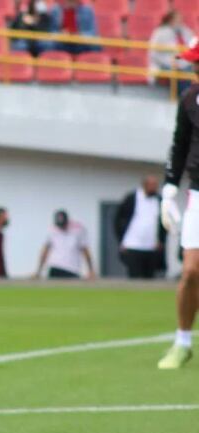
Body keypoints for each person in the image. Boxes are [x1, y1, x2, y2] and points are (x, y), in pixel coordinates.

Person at [156, 41, 199, 369]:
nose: (192, 70)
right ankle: (182, 342)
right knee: (190, 271)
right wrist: (169, 190)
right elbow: (179, 144)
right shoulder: (189, 99)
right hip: (198, 193)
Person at [114, 175, 166, 279]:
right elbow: (118, 219)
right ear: (145, 185)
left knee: (150, 277)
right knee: (135, 276)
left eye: (156, 185)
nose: (154, 188)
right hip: (132, 245)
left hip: (151, 246)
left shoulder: (159, 200)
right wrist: (121, 241)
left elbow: (163, 223)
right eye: (152, 185)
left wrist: (161, 241)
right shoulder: (131, 198)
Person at [33, 209, 95, 280]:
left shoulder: (79, 230)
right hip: (55, 267)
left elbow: (85, 251)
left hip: (72, 269)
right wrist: (38, 271)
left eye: (63, 225)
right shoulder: (52, 230)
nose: (61, 228)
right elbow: (45, 251)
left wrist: (91, 270)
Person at [149, 10, 195, 95]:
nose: (180, 22)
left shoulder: (184, 30)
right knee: (182, 73)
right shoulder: (160, 33)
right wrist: (171, 63)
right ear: (171, 20)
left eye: (181, 20)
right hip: (165, 63)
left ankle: (190, 95)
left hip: (183, 62)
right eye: (177, 20)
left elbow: (192, 43)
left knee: (191, 71)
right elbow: (155, 53)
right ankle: (184, 96)